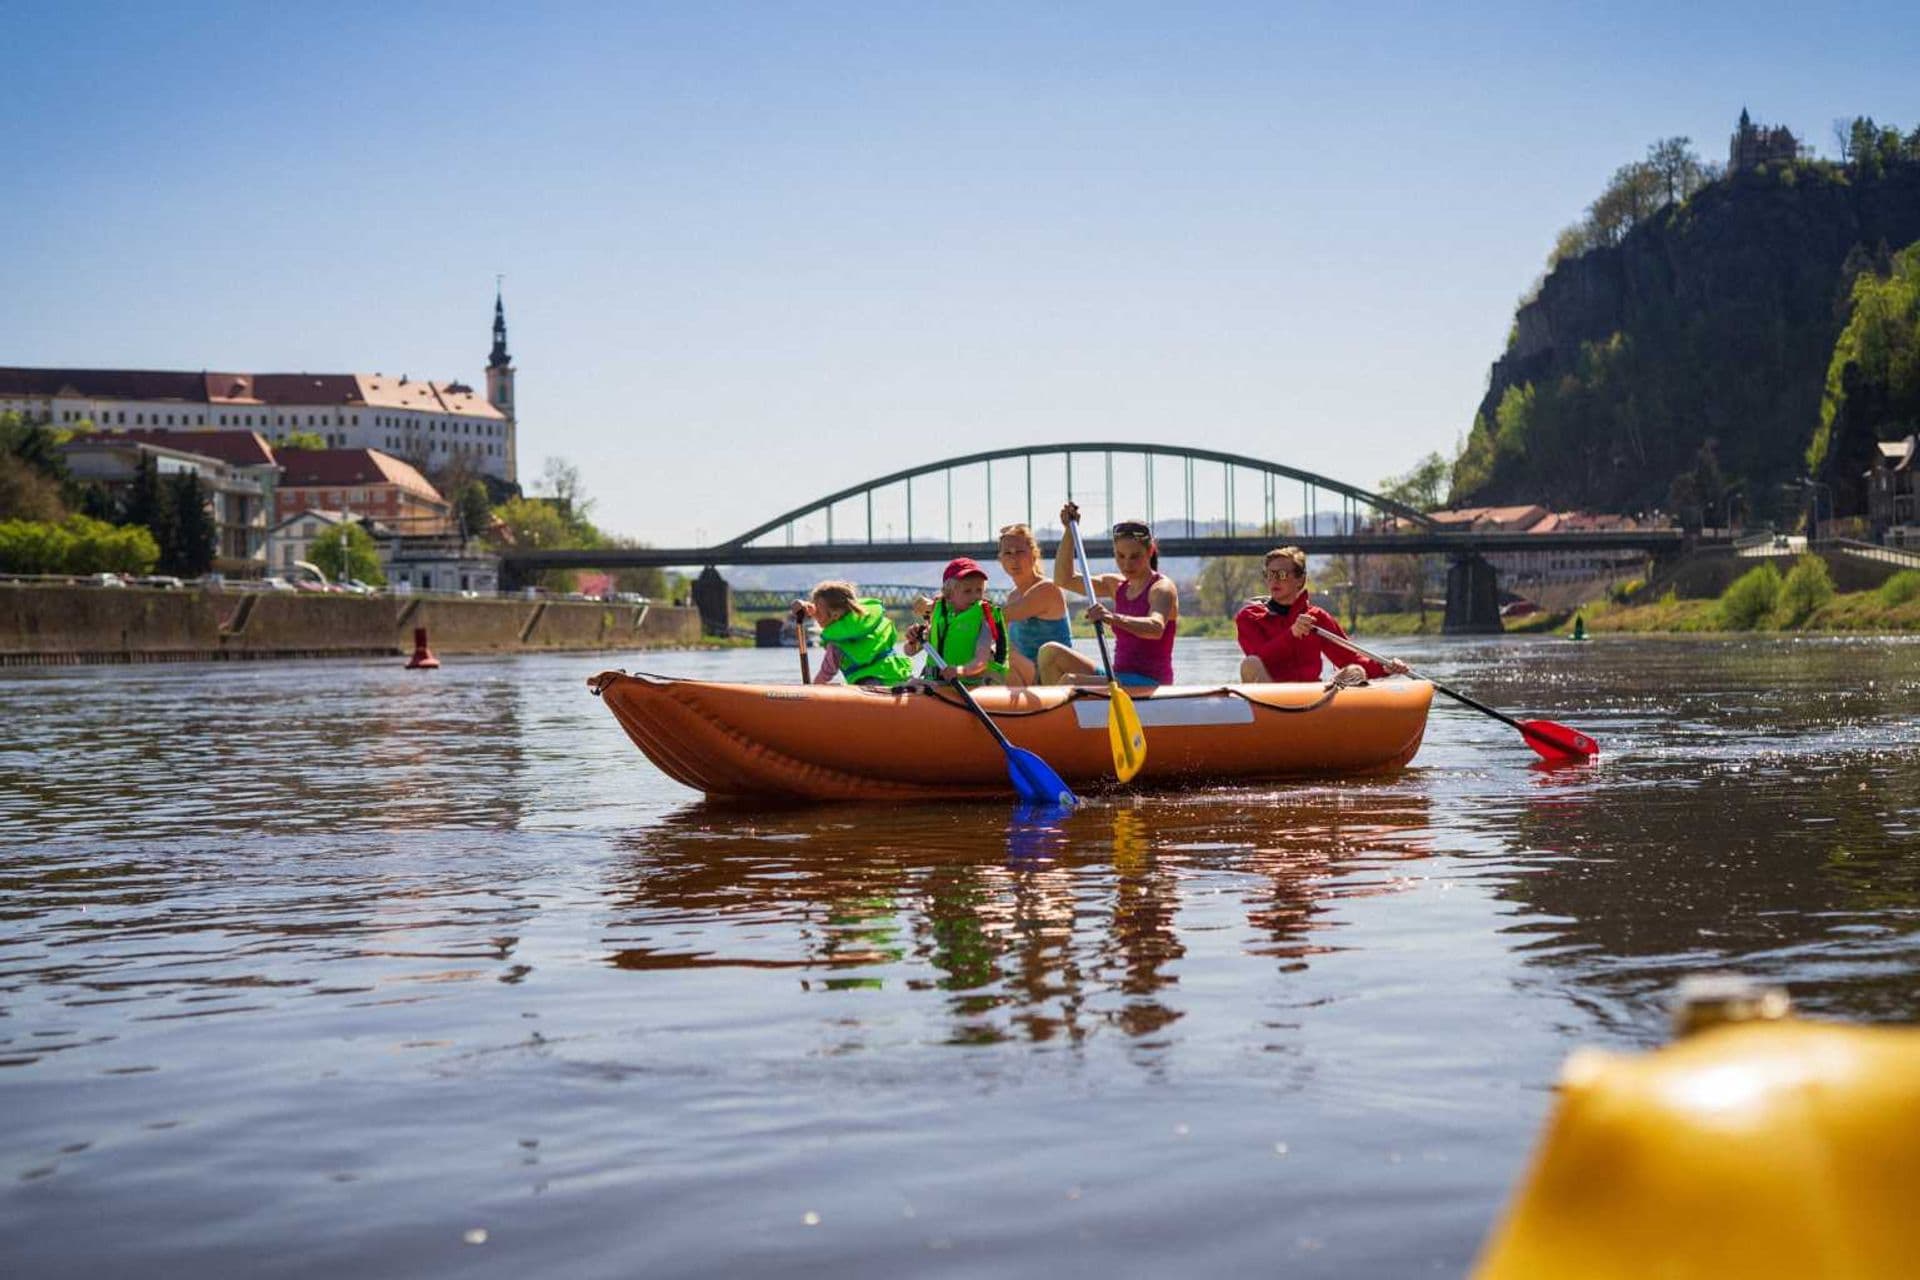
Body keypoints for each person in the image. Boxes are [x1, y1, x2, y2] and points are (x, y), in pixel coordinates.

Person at [1036, 502, 1179, 687]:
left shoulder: (1162, 588)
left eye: (1134, 556)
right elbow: (1064, 579)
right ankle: (1050, 713)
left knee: (1071, 681)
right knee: (1050, 653)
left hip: (1150, 682)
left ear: (1150, 551)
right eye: (1120, 556)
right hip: (1118, 676)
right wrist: (1070, 532)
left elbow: (1155, 628)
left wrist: (1111, 617)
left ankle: (1057, 713)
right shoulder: (1116, 585)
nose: (1127, 564)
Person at [1235, 547, 1410, 684]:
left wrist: (1386, 668)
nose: (1274, 580)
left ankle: (1327, 714)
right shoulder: (1249, 617)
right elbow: (1260, 656)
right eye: (1269, 574)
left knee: (1355, 671)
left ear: (1300, 580)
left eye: (1281, 574)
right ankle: (1277, 719)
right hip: (1270, 696)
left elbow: (1349, 658)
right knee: (1250, 664)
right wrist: (1292, 635)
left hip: (1312, 695)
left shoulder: (1317, 618)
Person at [904, 557, 1010, 686]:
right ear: (949, 594)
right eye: (967, 591)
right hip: (936, 682)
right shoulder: (939, 615)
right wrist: (912, 640)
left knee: (912, 684)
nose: (975, 596)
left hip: (969, 684)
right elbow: (909, 651)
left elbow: (981, 661)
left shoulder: (983, 618)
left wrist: (959, 671)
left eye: (979, 590)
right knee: (909, 684)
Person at [791, 580, 916, 687]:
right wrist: (809, 608)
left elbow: (825, 674)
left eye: (818, 609)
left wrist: (811, 691)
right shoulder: (871, 624)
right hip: (900, 676)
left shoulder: (837, 644)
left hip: (872, 686)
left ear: (835, 615)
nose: (815, 612)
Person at [994, 523, 1070, 687]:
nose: (1014, 559)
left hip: (1055, 676)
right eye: (1007, 553)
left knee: (1006, 657)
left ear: (1034, 555)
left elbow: (997, 616)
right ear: (1001, 560)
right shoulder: (1013, 596)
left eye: (1020, 552)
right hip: (1028, 678)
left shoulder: (1048, 588)